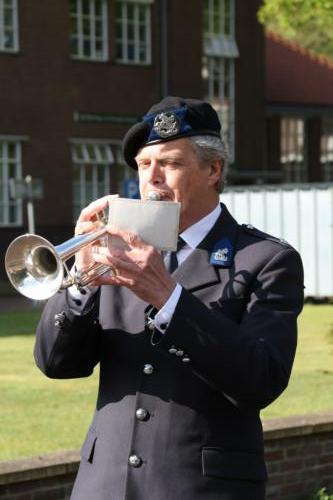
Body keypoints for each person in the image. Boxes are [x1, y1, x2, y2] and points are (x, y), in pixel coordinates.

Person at [34, 96, 304, 500]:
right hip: (103, 485)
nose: (152, 178)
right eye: (144, 165)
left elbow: (260, 380)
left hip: (202, 488)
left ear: (214, 169)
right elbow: (56, 363)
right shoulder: (117, 250)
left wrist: (167, 295)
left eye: (170, 164)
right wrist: (81, 281)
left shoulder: (266, 259)